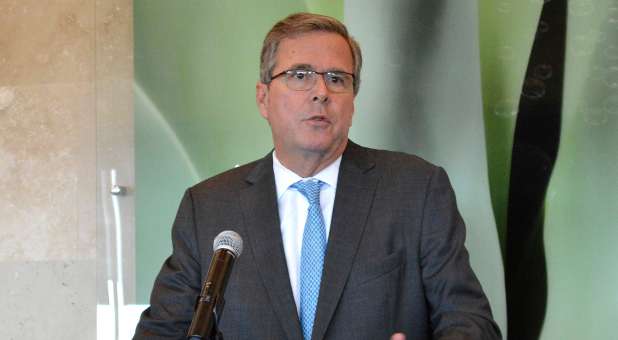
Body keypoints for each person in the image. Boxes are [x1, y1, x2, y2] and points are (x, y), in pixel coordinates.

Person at [134, 12, 501, 340]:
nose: (321, 92)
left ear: (352, 101)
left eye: (337, 79)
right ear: (263, 98)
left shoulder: (415, 190)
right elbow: (162, 331)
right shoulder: (211, 208)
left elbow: (471, 322)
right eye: (300, 75)